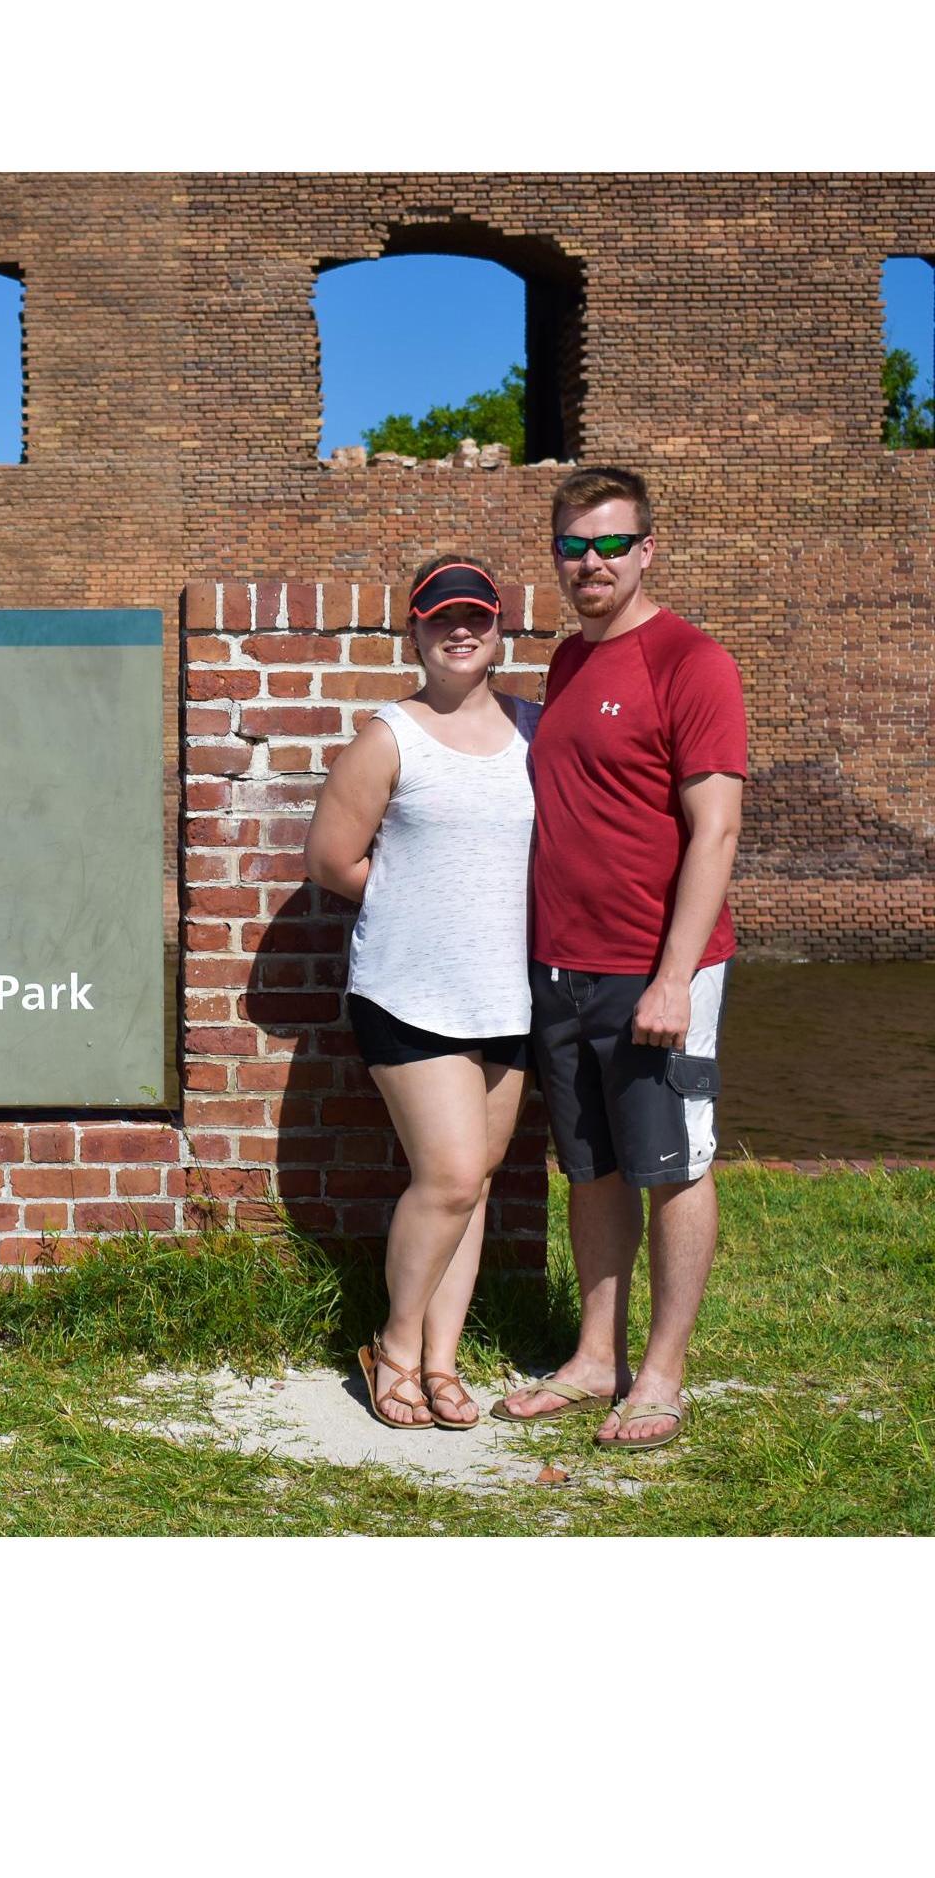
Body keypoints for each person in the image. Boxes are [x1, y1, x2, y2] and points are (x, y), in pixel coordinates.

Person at [496, 464, 747, 1449]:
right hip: (561, 966)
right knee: (589, 1167)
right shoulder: (566, 662)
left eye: (608, 542)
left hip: (654, 970)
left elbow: (715, 829)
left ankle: (661, 1373)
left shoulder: (689, 660)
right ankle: (592, 1354)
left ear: (646, 547)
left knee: (671, 1166)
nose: (589, 561)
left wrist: (675, 976)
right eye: (571, 544)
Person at [307, 557, 541, 1429]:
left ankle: (444, 1364)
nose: (460, 630)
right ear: (414, 631)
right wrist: (426, 904)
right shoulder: (388, 737)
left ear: (498, 628)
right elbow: (332, 861)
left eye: (475, 615)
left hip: (506, 994)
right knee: (444, 1175)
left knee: (474, 1181)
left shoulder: (533, 729)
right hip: (408, 988)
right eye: (442, 617)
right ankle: (394, 1349)